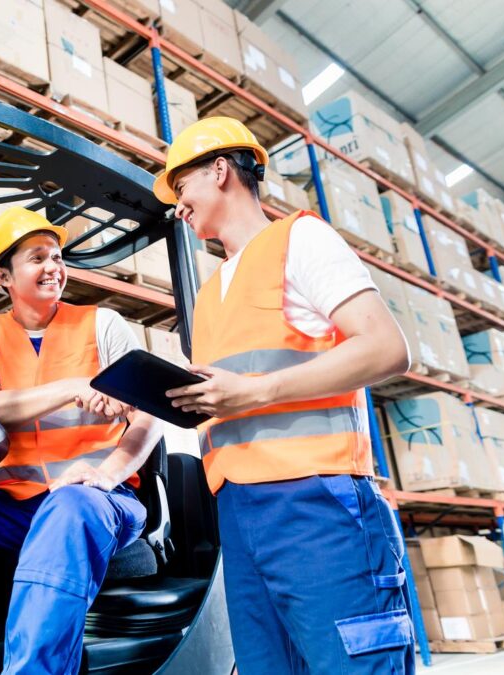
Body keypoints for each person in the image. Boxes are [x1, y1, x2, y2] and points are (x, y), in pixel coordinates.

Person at [157, 117, 415, 673]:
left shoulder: (300, 239)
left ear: (220, 170)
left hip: (316, 504)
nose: (178, 207)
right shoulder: (211, 293)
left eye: (182, 187)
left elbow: (387, 347)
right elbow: (233, 394)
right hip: (238, 514)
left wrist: (256, 392)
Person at [0, 206, 163, 674]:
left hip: (97, 497)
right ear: (4, 276)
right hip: (12, 505)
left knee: (68, 508)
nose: (53, 267)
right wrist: (73, 386)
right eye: (37, 258)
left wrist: (107, 475)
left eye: (57, 256)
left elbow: (150, 415)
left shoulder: (102, 325)